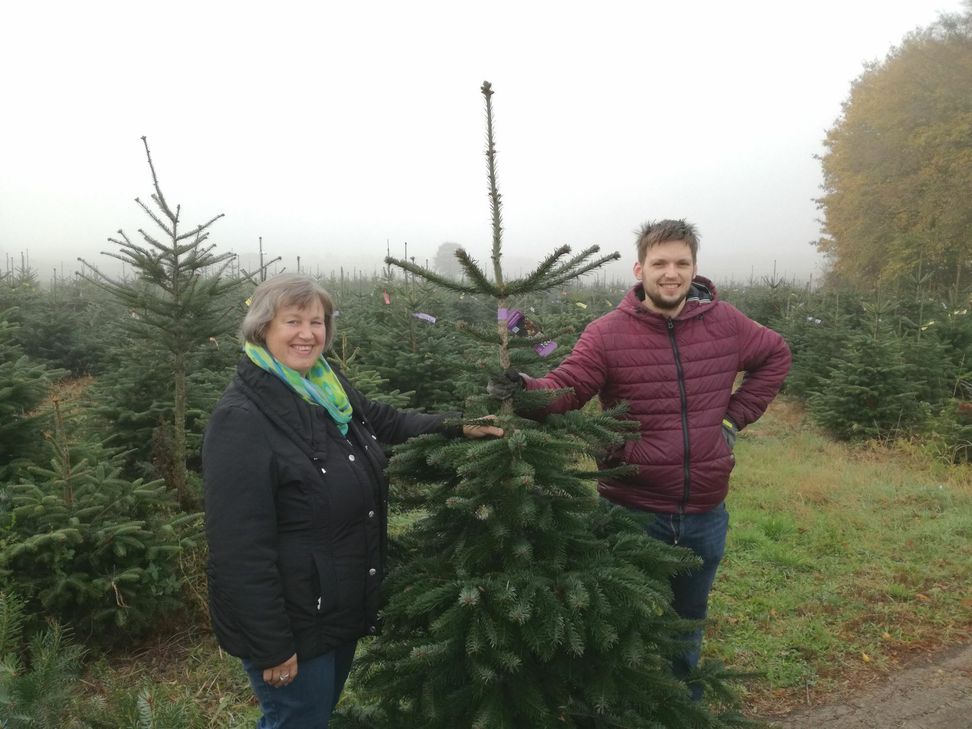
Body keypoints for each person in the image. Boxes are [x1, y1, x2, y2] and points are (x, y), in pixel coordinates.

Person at [489, 219, 791, 697]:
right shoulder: (607, 333)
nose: (671, 273)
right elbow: (568, 388)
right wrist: (524, 389)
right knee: (614, 620)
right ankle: (613, 707)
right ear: (640, 269)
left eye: (681, 263)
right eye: (660, 264)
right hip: (630, 510)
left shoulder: (727, 322)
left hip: (705, 511)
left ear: (693, 269)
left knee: (686, 620)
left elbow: (775, 354)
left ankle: (679, 705)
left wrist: (732, 421)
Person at [203, 273, 502, 728]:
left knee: (314, 718)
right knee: (295, 721)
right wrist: (272, 645)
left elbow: (384, 420)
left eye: (317, 322)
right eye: (293, 322)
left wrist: (457, 426)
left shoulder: (325, 387)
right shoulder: (242, 418)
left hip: (336, 606)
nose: (307, 334)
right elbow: (238, 549)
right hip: (295, 624)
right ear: (263, 328)